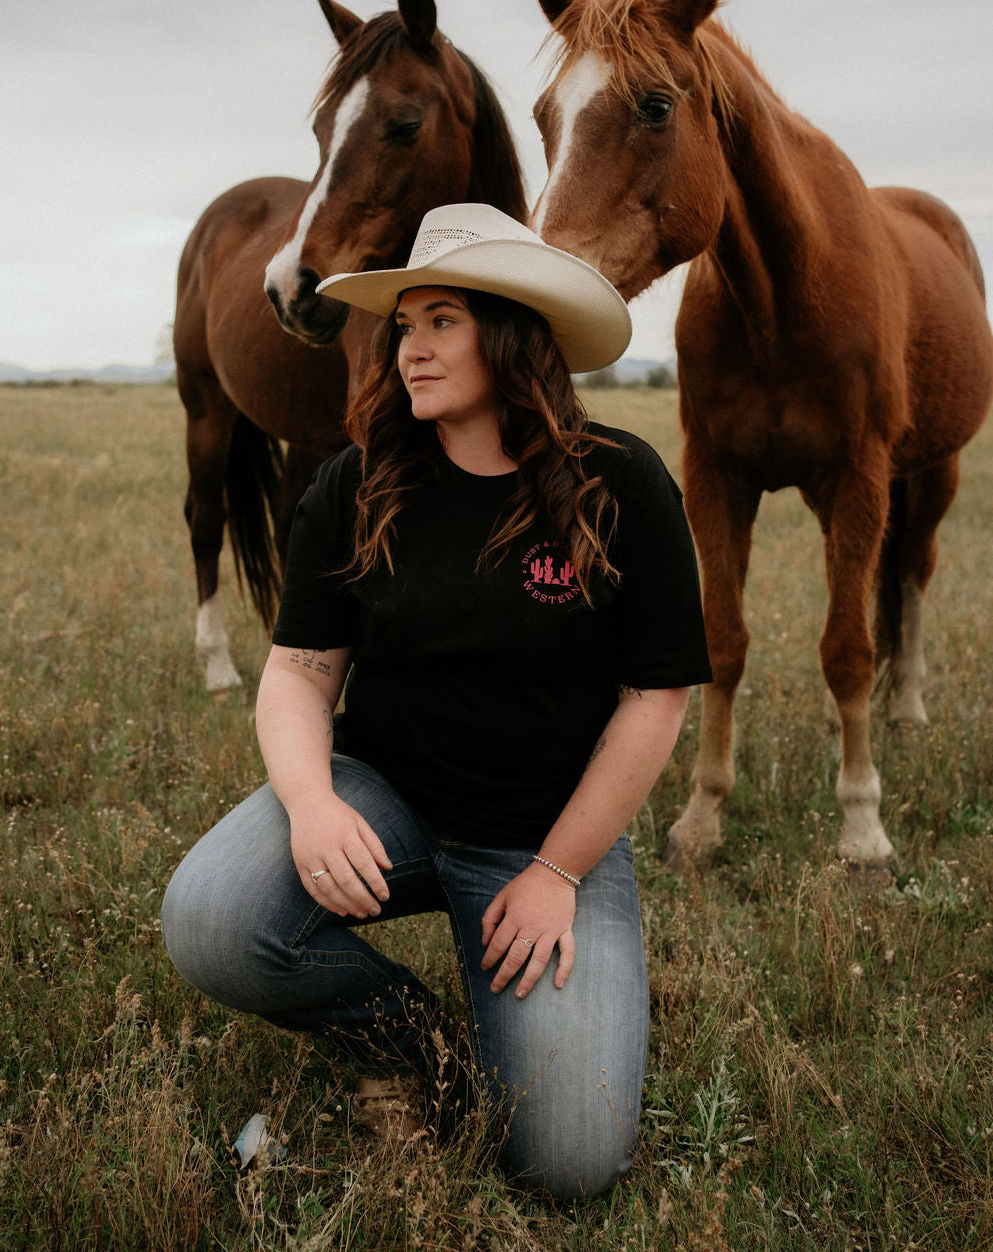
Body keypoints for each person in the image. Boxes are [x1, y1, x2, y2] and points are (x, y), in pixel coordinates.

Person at [162, 203, 711, 1200]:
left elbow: (654, 699)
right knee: (212, 919)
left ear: (510, 330)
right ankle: (412, 1044)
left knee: (568, 1164)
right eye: (405, 325)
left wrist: (555, 871)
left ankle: (520, 1007)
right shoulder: (358, 482)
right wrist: (316, 802)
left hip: (544, 835)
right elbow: (298, 671)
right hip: (388, 802)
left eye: (442, 321)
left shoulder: (618, 484)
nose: (410, 347)